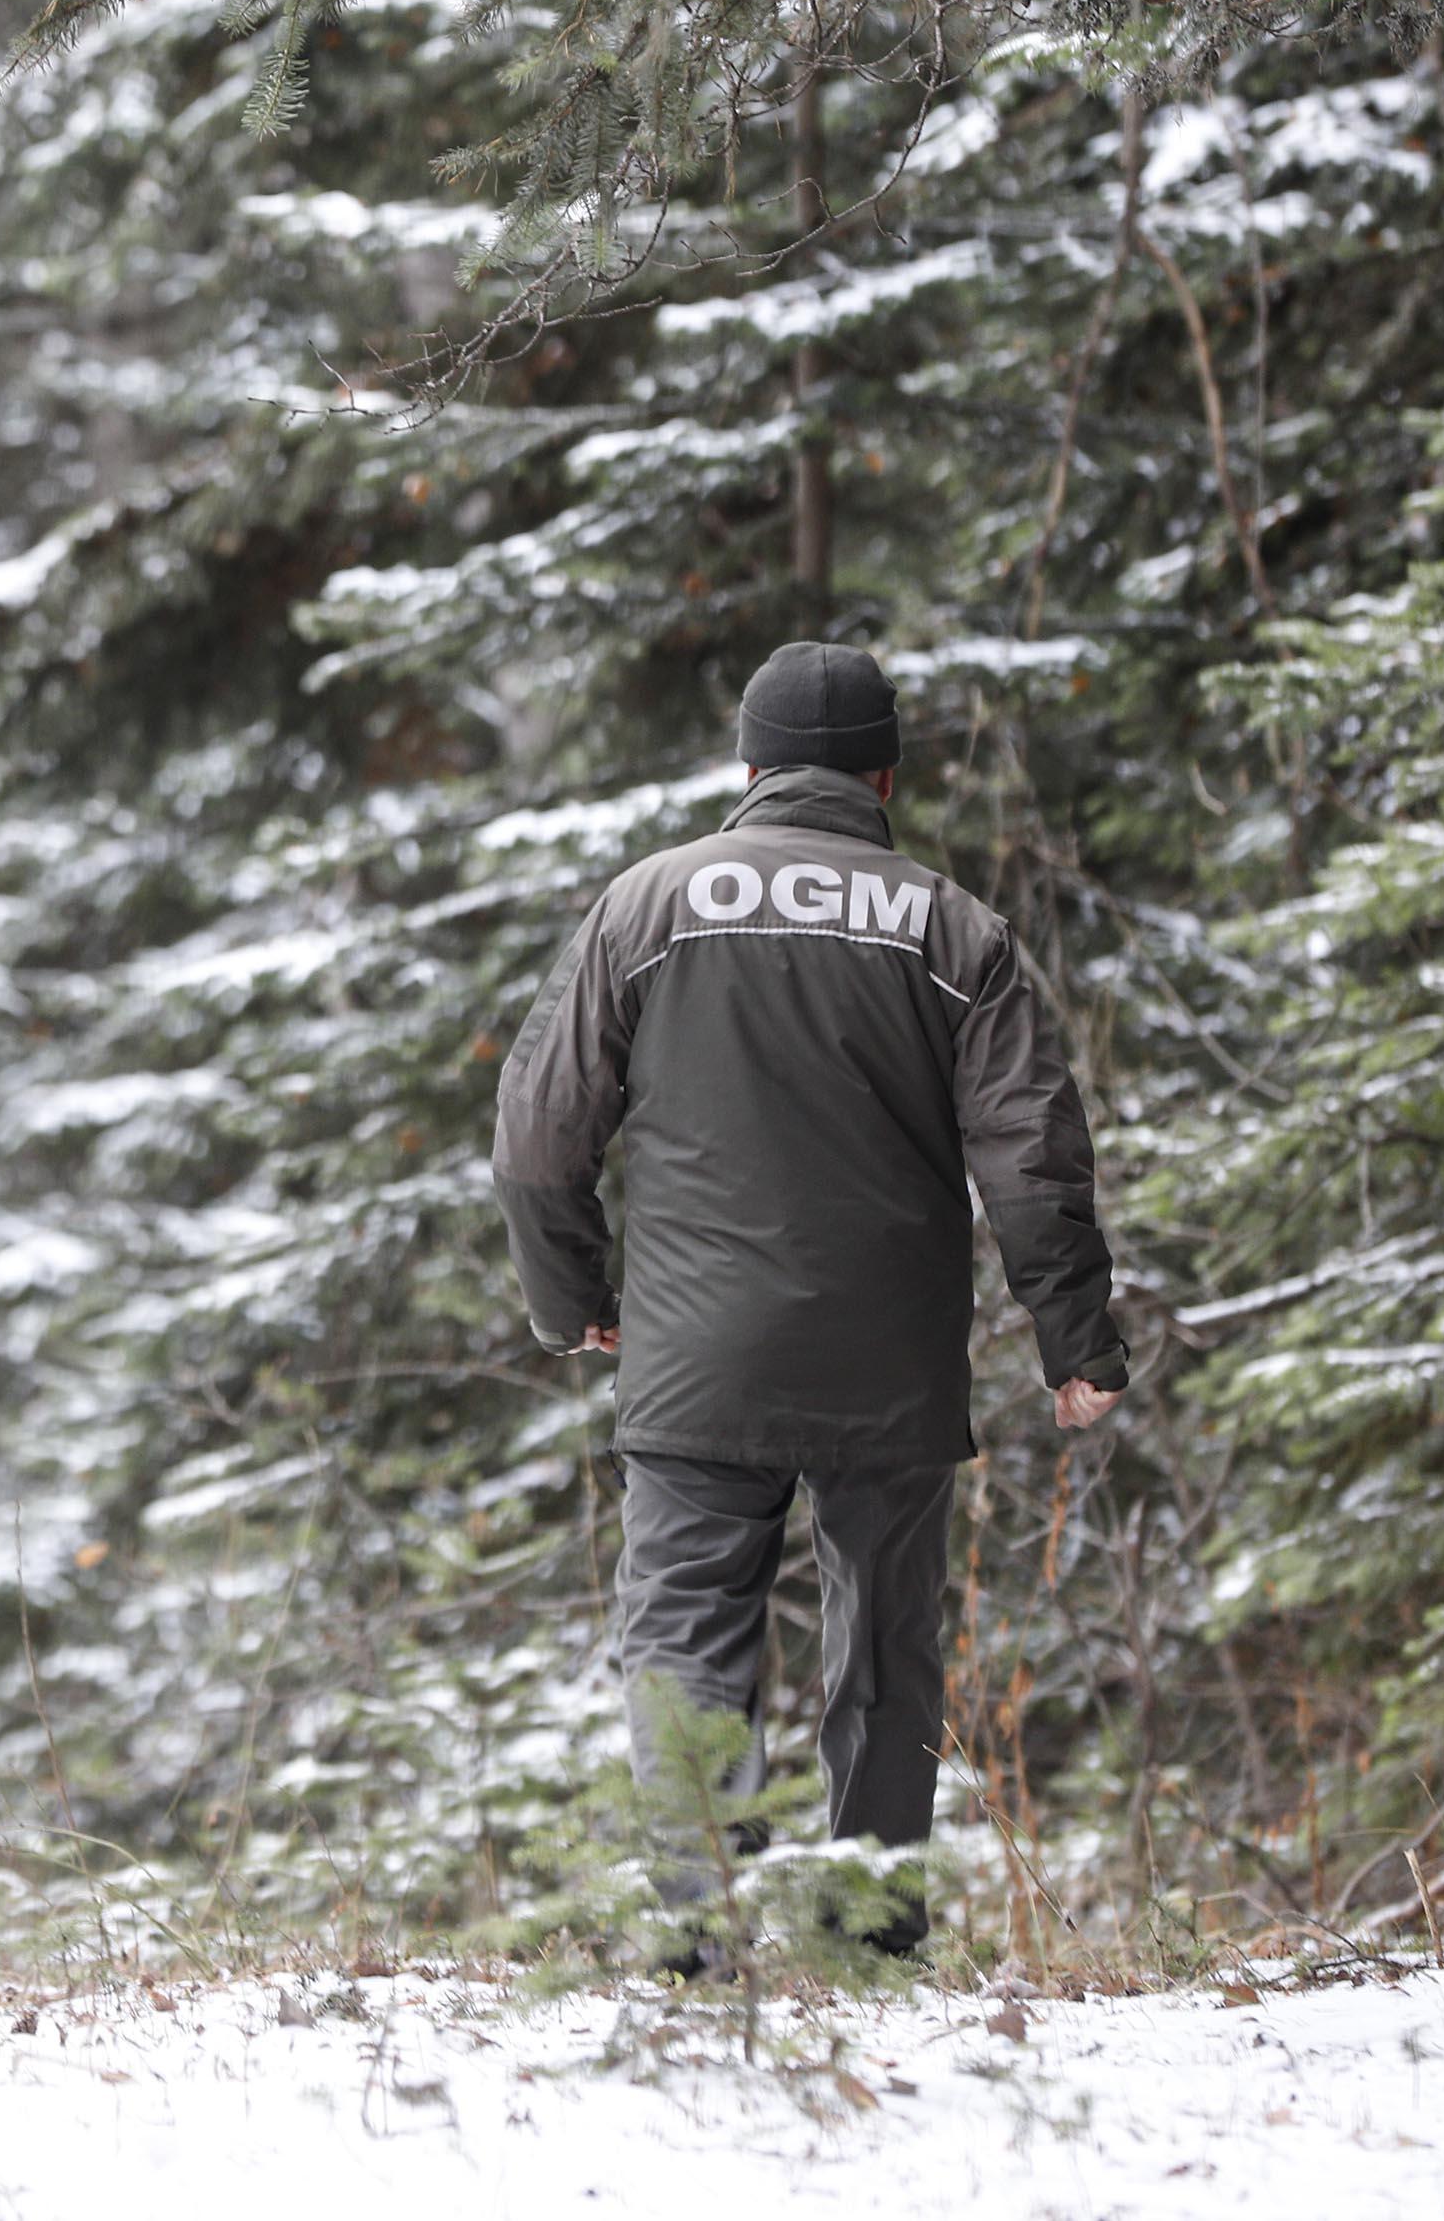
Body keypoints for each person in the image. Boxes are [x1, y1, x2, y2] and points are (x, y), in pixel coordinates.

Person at [489, 639, 1127, 1962]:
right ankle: (868, 1940)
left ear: (748, 766)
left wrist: (574, 1300)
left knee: (684, 1650)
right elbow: (1033, 1156)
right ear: (885, 775)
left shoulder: (646, 906)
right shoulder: (956, 929)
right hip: (889, 1364)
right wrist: (1076, 1341)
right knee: (885, 1658)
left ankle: (697, 1945)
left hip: (693, 1359)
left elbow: (538, 1141)